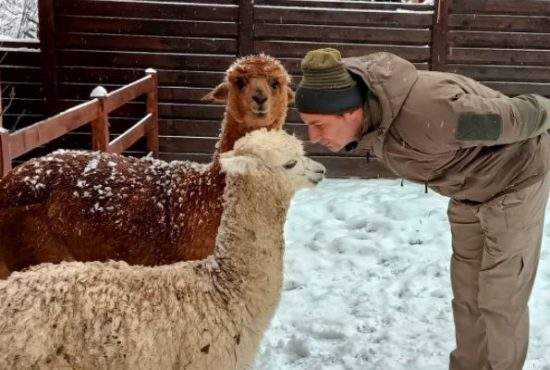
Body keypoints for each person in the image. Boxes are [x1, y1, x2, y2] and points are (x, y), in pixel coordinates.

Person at [295, 48, 550, 370]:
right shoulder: (373, 116)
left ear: (349, 112)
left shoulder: (434, 115)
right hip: (468, 191)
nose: (313, 137)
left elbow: (524, 115)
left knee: (501, 296)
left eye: (318, 124)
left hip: (515, 181)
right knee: (468, 293)